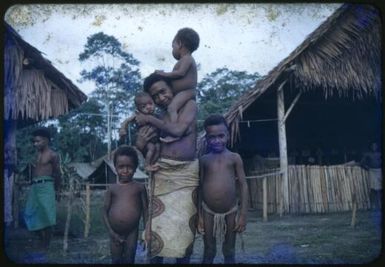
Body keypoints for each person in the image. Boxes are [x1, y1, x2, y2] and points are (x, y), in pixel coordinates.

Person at [134, 73, 199, 264]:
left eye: (163, 92)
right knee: (157, 229)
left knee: (184, 229)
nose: (161, 98)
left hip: (187, 175)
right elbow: (145, 143)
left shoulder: (189, 106)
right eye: (155, 96)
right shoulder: (159, 116)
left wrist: (149, 119)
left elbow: (178, 130)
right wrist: (140, 142)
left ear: (172, 89)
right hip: (162, 173)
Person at [197, 114, 248, 264]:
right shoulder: (204, 160)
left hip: (231, 210)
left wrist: (243, 214)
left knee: (229, 249)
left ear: (227, 135)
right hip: (208, 211)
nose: (217, 140)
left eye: (221, 136)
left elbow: (243, 185)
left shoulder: (234, 158)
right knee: (209, 249)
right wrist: (199, 215)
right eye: (212, 137)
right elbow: (199, 187)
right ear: (206, 138)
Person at [103, 145, 148, 264]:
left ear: (135, 167)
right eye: (121, 167)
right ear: (115, 168)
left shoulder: (139, 187)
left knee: (129, 259)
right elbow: (104, 212)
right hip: (114, 232)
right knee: (116, 260)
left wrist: (146, 231)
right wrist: (112, 233)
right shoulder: (112, 189)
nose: (125, 170)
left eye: (129, 167)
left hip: (132, 233)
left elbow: (145, 210)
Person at [155, 27, 199, 143]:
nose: (172, 50)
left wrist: (164, 74)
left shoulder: (187, 58)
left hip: (187, 91)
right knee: (175, 111)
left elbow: (180, 73)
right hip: (182, 93)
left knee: (171, 108)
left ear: (179, 44)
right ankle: (179, 128)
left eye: (172, 46)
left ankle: (174, 132)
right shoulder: (183, 60)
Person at [23, 127, 61, 249]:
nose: (35, 144)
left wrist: (58, 190)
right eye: (34, 141)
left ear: (46, 140)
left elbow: (57, 173)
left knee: (47, 216)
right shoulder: (37, 155)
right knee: (29, 212)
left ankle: (45, 244)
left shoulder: (53, 155)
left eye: (38, 141)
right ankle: (40, 237)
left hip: (47, 186)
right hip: (35, 186)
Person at [119, 92, 160, 172]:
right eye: (144, 106)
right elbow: (126, 121)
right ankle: (147, 165)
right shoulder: (138, 115)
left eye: (150, 104)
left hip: (155, 139)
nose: (148, 107)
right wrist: (123, 128)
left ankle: (152, 163)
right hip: (145, 140)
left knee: (158, 148)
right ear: (138, 109)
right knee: (151, 148)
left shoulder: (156, 115)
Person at [360, 142, 382, 210]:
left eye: (375, 146)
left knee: (380, 188)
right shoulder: (368, 154)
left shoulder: (380, 154)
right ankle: (372, 205)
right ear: (371, 147)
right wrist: (367, 168)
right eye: (373, 146)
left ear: (377, 146)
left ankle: (379, 205)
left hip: (380, 171)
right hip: (372, 171)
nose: (374, 147)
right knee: (373, 188)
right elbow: (362, 163)